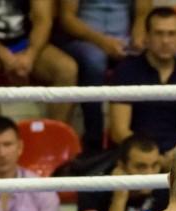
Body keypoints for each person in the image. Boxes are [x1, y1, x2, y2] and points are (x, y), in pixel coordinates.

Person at [109, 6, 176, 165]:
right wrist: (154, 159)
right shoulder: (126, 71)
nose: (165, 41)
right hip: (135, 161)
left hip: (175, 160)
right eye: (159, 33)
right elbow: (119, 131)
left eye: (171, 34)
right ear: (147, 36)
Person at [0, 0, 78, 122]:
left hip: (25, 43)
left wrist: (30, 55)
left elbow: (43, 21)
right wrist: (1, 52)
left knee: (66, 68)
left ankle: (55, 131)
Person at [59, 0, 152, 151]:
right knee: (94, 60)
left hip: (124, 40)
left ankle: (145, 135)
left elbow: (143, 11)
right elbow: (67, 18)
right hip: (85, 40)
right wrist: (102, 41)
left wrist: (138, 35)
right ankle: (93, 136)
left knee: (168, 54)